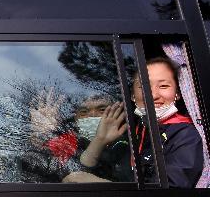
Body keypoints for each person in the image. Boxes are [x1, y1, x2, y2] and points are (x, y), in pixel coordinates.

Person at [65, 57, 204, 187]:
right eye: (143, 87)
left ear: (177, 94)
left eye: (163, 86)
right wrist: (99, 140)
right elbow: (82, 172)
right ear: (132, 96)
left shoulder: (185, 135)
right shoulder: (133, 132)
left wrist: (98, 184)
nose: (154, 95)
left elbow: (166, 196)